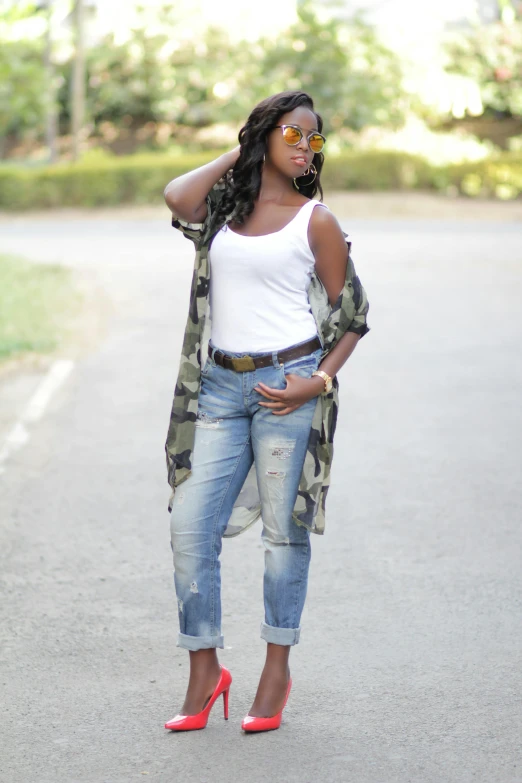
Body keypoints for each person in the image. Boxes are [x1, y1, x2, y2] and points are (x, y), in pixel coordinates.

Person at [163, 90, 370, 733]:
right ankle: (205, 668)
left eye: (315, 139)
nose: (306, 148)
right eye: (293, 134)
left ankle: (277, 664)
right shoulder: (226, 209)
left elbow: (353, 316)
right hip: (219, 388)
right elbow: (177, 196)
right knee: (190, 532)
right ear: (264, 135)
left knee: (284, 536)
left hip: (287, 386)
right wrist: (245, 148)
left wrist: (319, 382)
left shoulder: (318, 221)